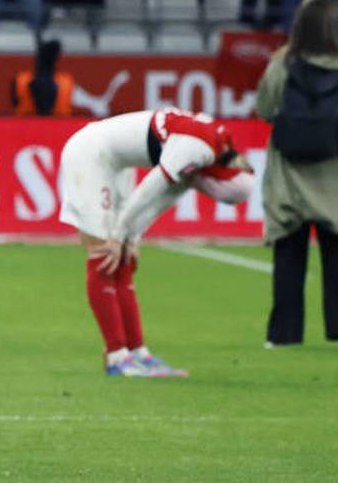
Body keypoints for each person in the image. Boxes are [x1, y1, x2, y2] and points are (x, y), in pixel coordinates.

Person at [58, 108, 257, 376]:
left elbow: (160, 202)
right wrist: (118, 235)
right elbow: (150, 189)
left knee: (124, 261)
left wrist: (132, 238)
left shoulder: (208, 154)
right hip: (91, 154)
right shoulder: (197, 149)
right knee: (103, 255)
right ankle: (117, 357)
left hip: (116, 163)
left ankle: (138, 353)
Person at [255, 0, 338, 351]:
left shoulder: (281, 64)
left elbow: (264, 108)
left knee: (289, 253)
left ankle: (282, 335)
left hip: (291, 171)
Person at [11, 40, 74, 116]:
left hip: (26, 124)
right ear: (56, 58)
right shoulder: (66, 81)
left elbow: (15, 103)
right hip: (60, 125)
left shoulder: (20, 79)